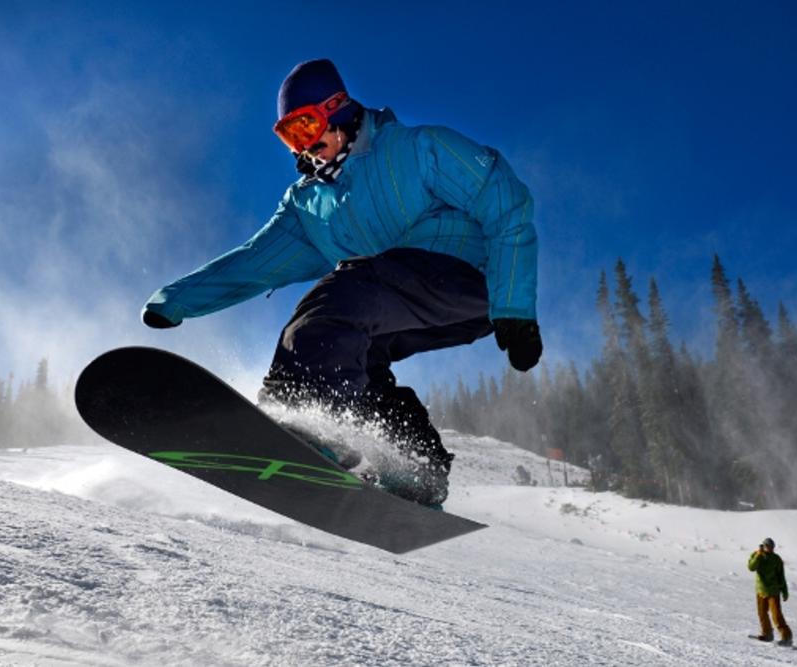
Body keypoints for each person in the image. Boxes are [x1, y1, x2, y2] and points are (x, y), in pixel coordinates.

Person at [142, 59, 541, 508]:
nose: (307, 147)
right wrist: (177, 300)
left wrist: (515, 308)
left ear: (339, 109)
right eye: (292, 137)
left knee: (336, 304)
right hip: (399, 303)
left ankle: (307, 417)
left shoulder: (417, 149)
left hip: (462, 281)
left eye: (308, 126)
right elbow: (255, 262)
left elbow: (505, 201)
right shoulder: (311, 205)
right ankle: (414, 466)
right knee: (354, 355)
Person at [748, 537, 793, 646]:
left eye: (771, 547)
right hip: (761, 590)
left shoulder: (776, 559)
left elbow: (781, 576)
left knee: (776, 615)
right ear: (763, 546)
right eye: (767, 546)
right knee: (762, 613)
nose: (769, 548)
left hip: (773, 591)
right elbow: (751, 567)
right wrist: (758, 555)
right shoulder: (757, 555)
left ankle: (786, 637)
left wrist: (784, 591)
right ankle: (767, 634)